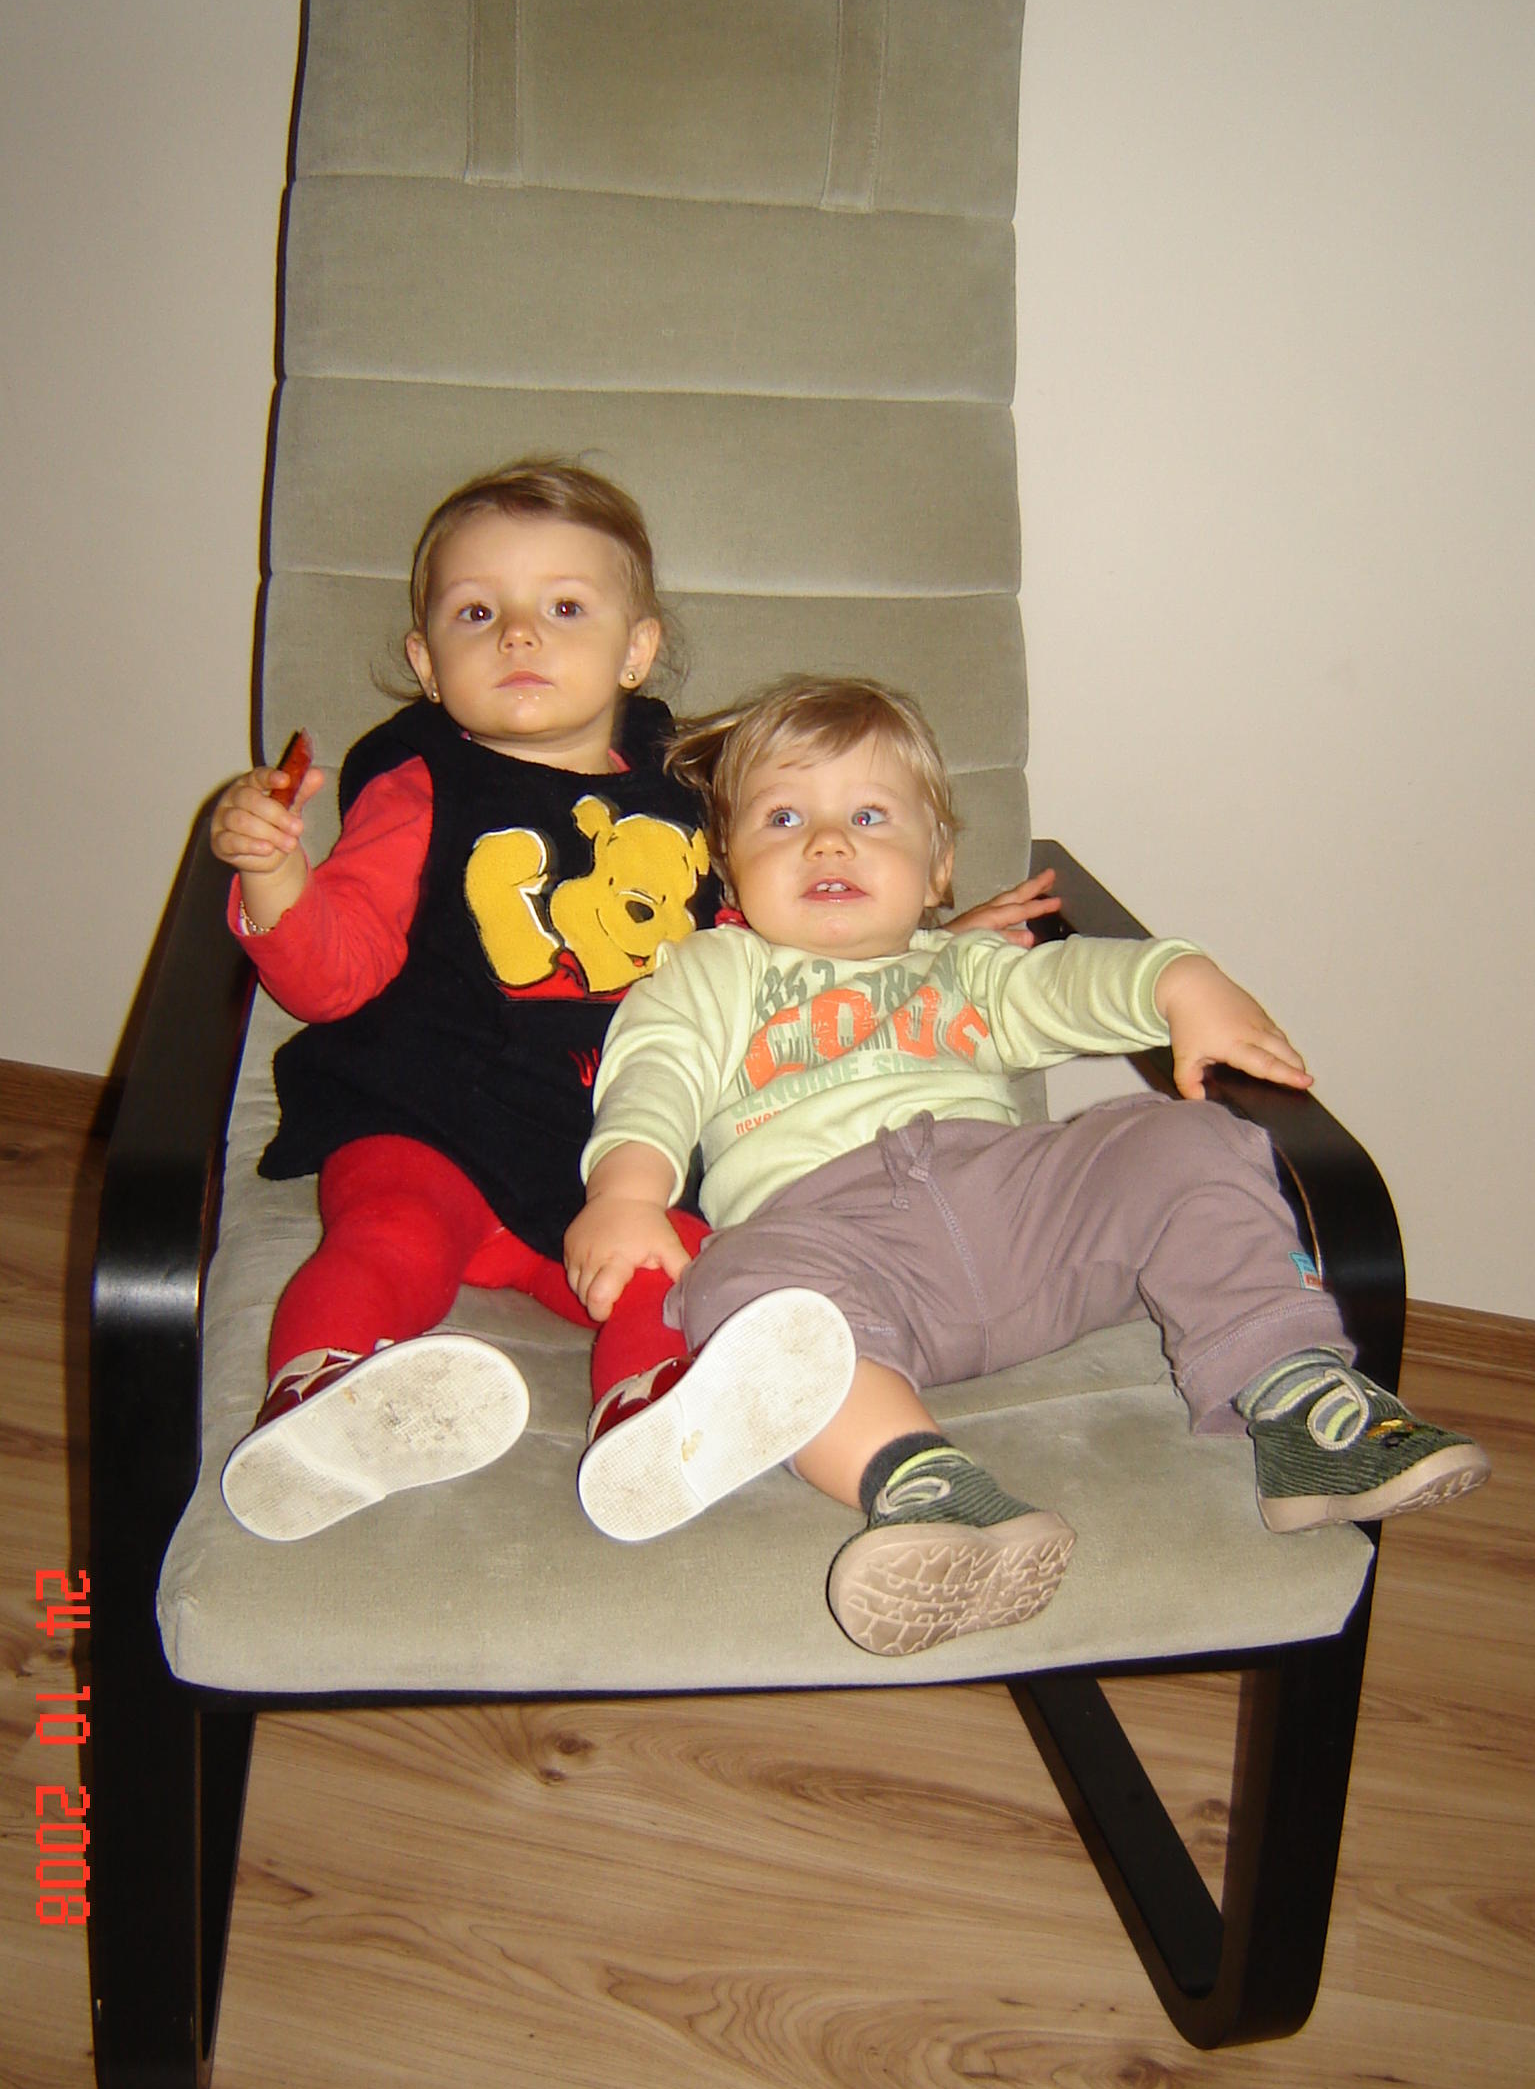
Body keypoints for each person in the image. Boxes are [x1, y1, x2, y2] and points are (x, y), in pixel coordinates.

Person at [564, 676, 1491, 1656]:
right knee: (741, 1290)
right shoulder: (712, 973)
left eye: (868, 816)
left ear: (936, 867)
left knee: (1179, 1136)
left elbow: (1071, 983)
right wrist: (628, 1189)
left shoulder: (962, 966)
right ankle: (924, 1485)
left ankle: (1299, 1403)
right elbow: (655, 1072)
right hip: (836, 1247)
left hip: (1019, 1217)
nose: (827, 842)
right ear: (729, 867)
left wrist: (1179, 979)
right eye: (783, 818)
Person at [213, 467, 1055, 1541]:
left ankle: (647, 1423)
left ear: (635, 649)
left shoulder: (694, 792)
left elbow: (773, 935)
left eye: (564, 606)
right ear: (425, 662)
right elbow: (332, 975)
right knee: (389, 1231)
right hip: (428, 1113)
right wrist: (275, 874)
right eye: (477, 612)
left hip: (621, 1142)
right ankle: (318, 1400)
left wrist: (921, 948)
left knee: (675, 1273)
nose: (519, 634)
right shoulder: (419, 783)